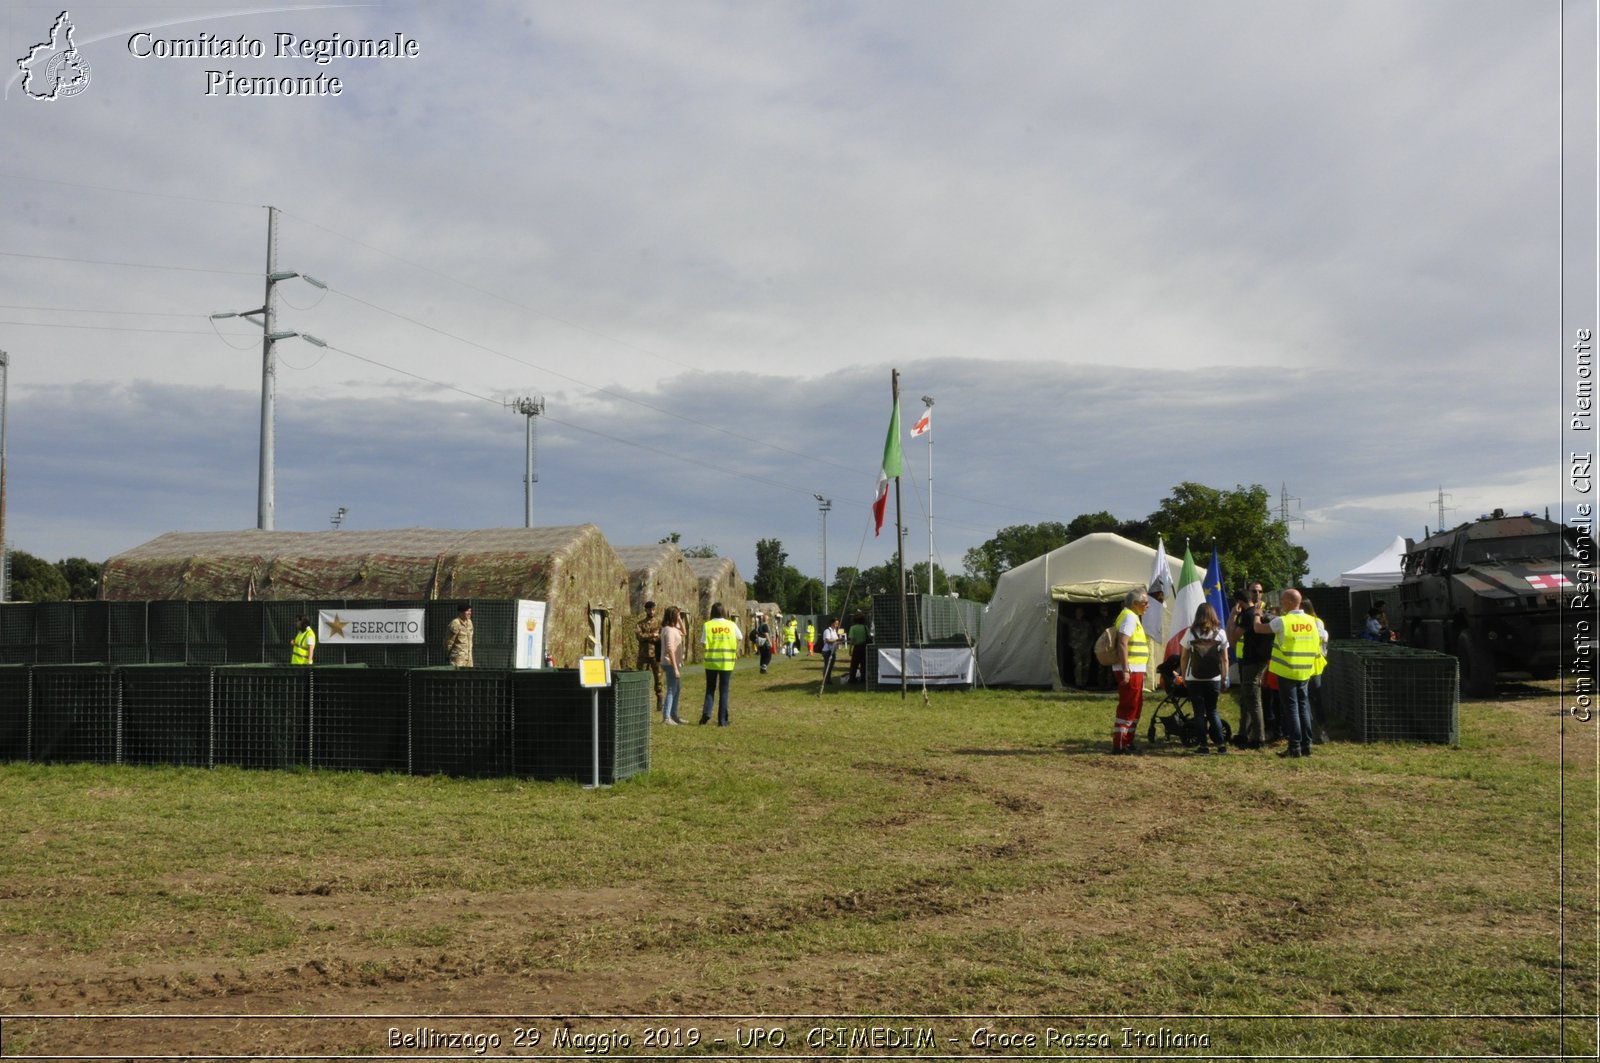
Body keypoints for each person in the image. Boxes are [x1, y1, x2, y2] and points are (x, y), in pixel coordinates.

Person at [1255, 588, 1320, 758]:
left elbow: (1258, 629)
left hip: (1287, 670)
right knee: (1304, 707)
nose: (1281, 603)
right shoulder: (1313, 621)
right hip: (1305, 670)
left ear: (1291, 602)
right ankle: (1307, 745)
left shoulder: (1283, 621)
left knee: (1291, 709)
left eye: (1283, 600)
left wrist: (1257, 613)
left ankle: (1294, 747)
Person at [1179, 602, 1229, 755]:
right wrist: (1224, 678)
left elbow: (1184, 656)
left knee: (1199, 713)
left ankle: (1203, 746)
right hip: (1214, 678)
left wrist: (1183, 676)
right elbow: (1225, 659)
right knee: (1213, 711)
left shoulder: (1191, 632)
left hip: (1194, 677)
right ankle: (1220, 745)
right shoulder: (1220, 633)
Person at [1228, 582, 1273, 748]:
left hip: (1252, 661)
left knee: (1253, 699)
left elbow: (1232, 637)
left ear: (1239, 602)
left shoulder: (1248, 615)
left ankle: (1258, 738)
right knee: (1247, 698)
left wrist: (1233, 617)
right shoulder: (1255, 613)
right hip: (1257, 660)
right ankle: (1244, 734)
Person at [1110, 588, 1151, 754]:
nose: (1147, 606)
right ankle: (1120, 744)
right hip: (1130, 669)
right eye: (1145, 603)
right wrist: (1126, 669)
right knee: (1129, 706)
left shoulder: (1133, 616)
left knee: (1136, 705)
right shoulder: (1129, 617)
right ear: (1135, 604)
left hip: (1136, 669)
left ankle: (1128, 740)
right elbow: (1122, 643)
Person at [699, 602, 742, 726]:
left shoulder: (707, 625)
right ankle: (722, 720)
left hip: (711, 662)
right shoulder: (731, 625)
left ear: (712, 612)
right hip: (726, 662)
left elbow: (703, 642)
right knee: (724, 691)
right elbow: (740, 637)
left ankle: (706, 713)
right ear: (724, 612)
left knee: (710, 689)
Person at [636, 600, 663, 716]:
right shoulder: (640, 624)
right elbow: (639, 637)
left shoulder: (659, 623)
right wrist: (652, 635)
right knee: (641, 677)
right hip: (643, 655)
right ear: (645, 610)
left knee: (658, 677)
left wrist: (652, 637)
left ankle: (660, 700)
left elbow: (661, 637)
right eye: (649, 609)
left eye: (653, 609)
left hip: (656, 653)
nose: (651, 611)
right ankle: (642, 701)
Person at [660, 605, 685, 724]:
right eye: (677, 616)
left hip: (674, 662)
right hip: (670, 663)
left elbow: (684, 632)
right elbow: (670, 649)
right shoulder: (669, 630)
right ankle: (666, 717)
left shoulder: (674, 628)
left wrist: (680, 619)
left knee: (677, 689)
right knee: (671, 689)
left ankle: (673, 714)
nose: (679, 618)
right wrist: (675, 668)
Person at [1065, 605, 1095, 688]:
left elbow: (1091, 636)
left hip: (1086, 648)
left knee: (1086, 666)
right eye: (1077, 612)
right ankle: (1079, 684)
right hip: (1076, 649)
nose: (1079, 614)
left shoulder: (1087, 624)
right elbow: (1061, 619)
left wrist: (1090, 646)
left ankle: (1084, 683)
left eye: (1080, 612)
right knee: (1078, 666)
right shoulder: (1071, 623)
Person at [847, 612, 870, 684]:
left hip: (857, 648)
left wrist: (850, 649)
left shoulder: (853, 628)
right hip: (865, 647)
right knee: (864, 664)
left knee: (854, 664)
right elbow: (868, 637)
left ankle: (852, 679)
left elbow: (852, 640)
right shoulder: (865, 627)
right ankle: (863, 679)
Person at [820, 618, 842, 683]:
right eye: (836, 623)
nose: (837, 625)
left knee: (831, 666)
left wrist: (839, 642)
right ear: (832, 623)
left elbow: (835, 640)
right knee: (827, 666)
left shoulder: (834, 631)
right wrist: (836, 641)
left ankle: (828, 679)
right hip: (827, 651)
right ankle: (826, 680)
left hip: (832, 651)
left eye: (838, 623)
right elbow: (827, 640)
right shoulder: (827, 631)